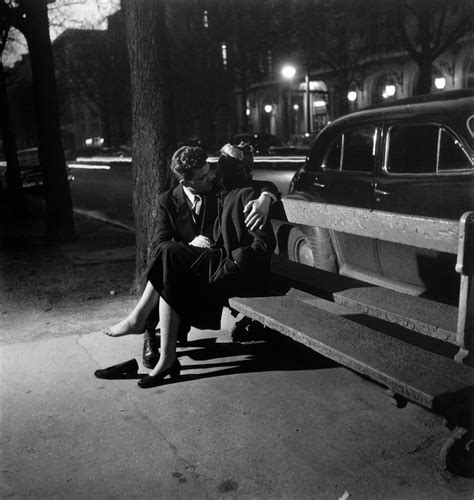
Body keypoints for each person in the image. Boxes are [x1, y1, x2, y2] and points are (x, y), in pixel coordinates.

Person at [102, 146, 278, 385]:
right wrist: (191, 244)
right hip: (194, 266)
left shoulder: (223, 190)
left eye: (211, 171)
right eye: (204, 176)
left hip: (220, 268)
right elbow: (159, 243)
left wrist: (266, 198)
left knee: (170, 259)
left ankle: (142, 324)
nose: (212, 177)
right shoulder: (168, 200)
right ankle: (163, 351)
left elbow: (261, 188)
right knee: (168, 255)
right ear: (186, 181)